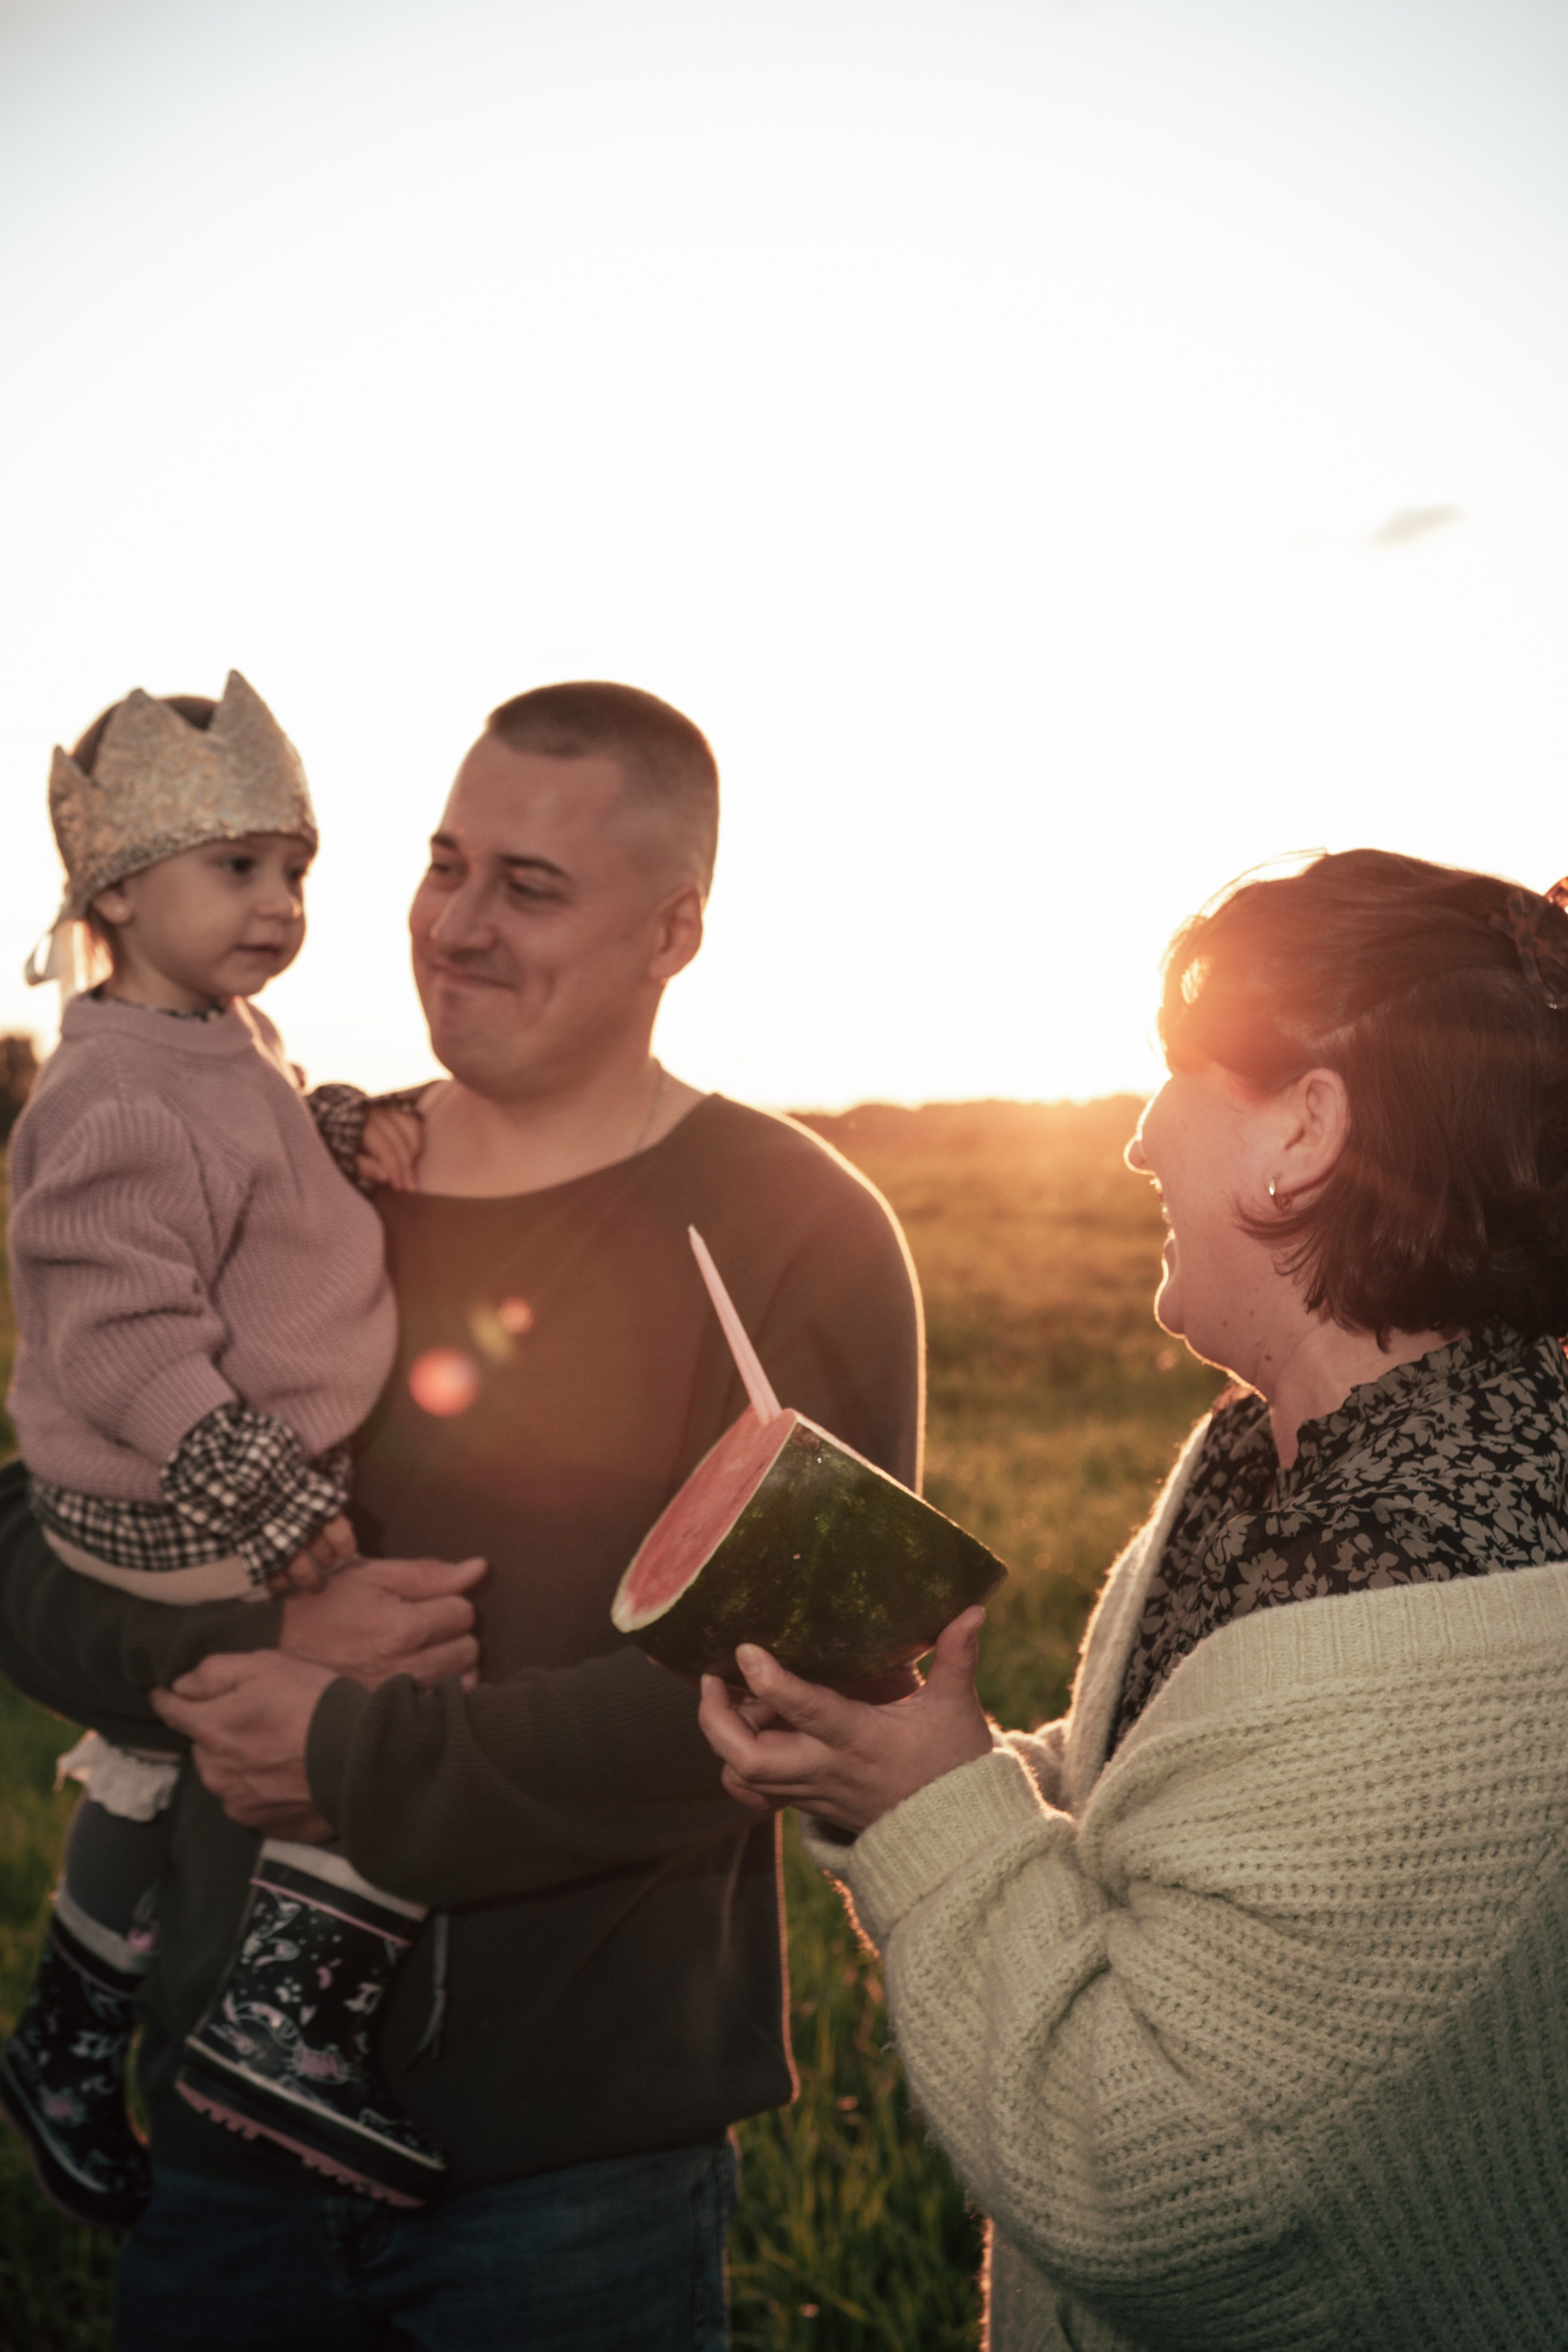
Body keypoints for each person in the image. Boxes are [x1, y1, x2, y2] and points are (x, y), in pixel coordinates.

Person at [0, 679, 924, 2351]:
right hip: (222, 2157)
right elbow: (31, 1540)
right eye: (444, 865)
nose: (459, 927)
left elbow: (804, 1689)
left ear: (676, 930)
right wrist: (252, 1644)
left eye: (532, 887)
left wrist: (350, 1748)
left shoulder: (798, 1231)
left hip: (577, 2178)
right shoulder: (297, 1169)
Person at [699, 849, 1568, 2352]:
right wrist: (929, 1759)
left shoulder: (1436, 1581)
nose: (1138, 1142)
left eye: (1180, 1077)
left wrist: (932, 1818)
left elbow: (1153, 2183)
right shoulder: (1277, 1457)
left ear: (1302, 1131)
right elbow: (1187, 1835)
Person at [0, 673, 456, 2223]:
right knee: (375, 1666)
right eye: (238, 868)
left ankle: (66, 2033)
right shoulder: (116, 1086)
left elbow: (242, 1190)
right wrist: (252, 1485)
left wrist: (324, 1134)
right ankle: (284, 2012)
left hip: (190, 1475)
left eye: (296, 870)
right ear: (120, 889)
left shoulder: (215, 1036)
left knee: (151, 1745)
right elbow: (120, 1330)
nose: (280, 903)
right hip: (174, 1487)